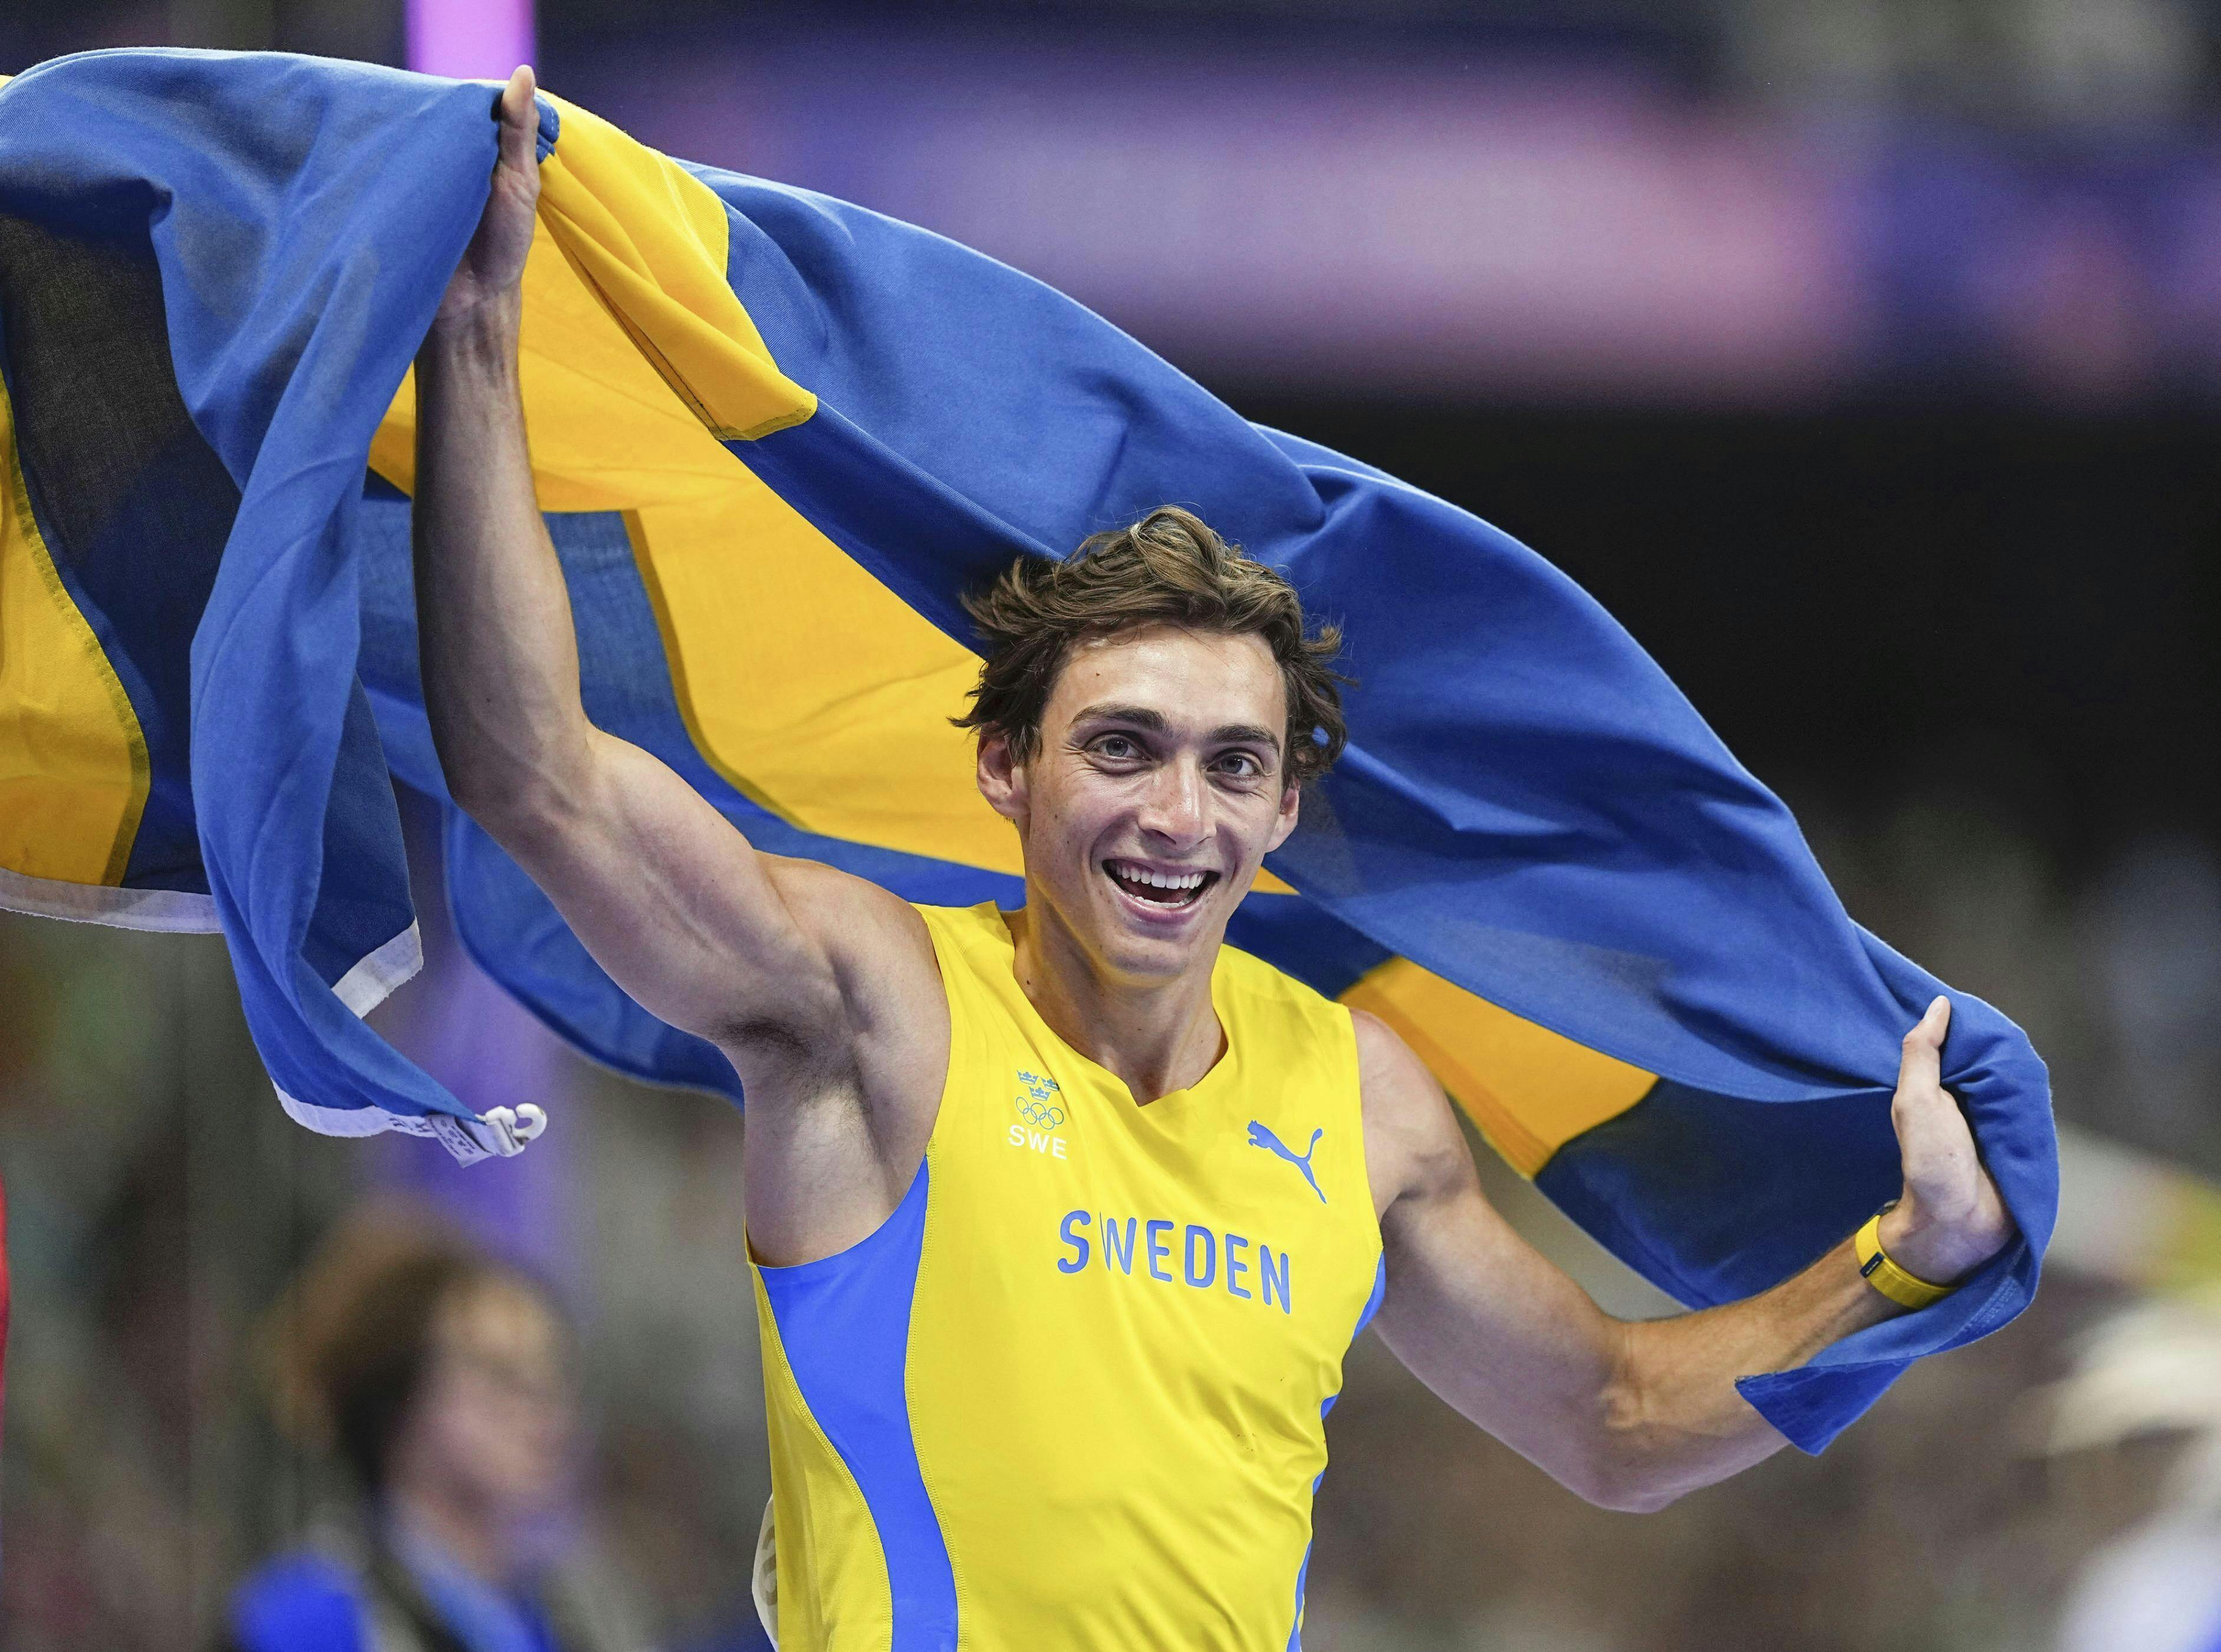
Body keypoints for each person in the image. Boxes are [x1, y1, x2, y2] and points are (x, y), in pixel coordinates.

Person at [413, 66, 2019, 1650]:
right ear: (1003, 771)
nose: (1176, 814)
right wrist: (478, 340)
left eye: (1228, 765)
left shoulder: (1362, 1098)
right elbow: (533, 774)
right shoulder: (872, 1008)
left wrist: (1909, 1259)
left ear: (1277, 815)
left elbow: (1605, 1418)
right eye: (1119, 747)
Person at [221, 1209, 649, 1652]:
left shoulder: (574, 1620)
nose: (547, 1411)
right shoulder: (312, 1620)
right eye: (502, 1375)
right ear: (396, 1395)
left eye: (554, 1377)